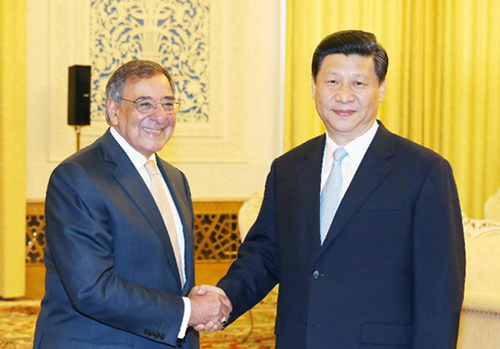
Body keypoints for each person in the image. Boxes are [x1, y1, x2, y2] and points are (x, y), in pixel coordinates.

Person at [197, 30, 466, 348]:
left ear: (380, 89)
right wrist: (224, 296)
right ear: (314, 87)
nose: (344, 95)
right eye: (332, 81)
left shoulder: (423, 171)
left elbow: (439, 289)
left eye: (359, 83)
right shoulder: (288, 169)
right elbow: (265, 255)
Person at [33, 60, 231, 349]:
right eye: (145, 104)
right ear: (114, 111)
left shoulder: (175, 180)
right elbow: (91, 289)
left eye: (168, 104)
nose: (160, 116)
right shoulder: (78, 176)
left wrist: (193, 302)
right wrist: (188, 311)